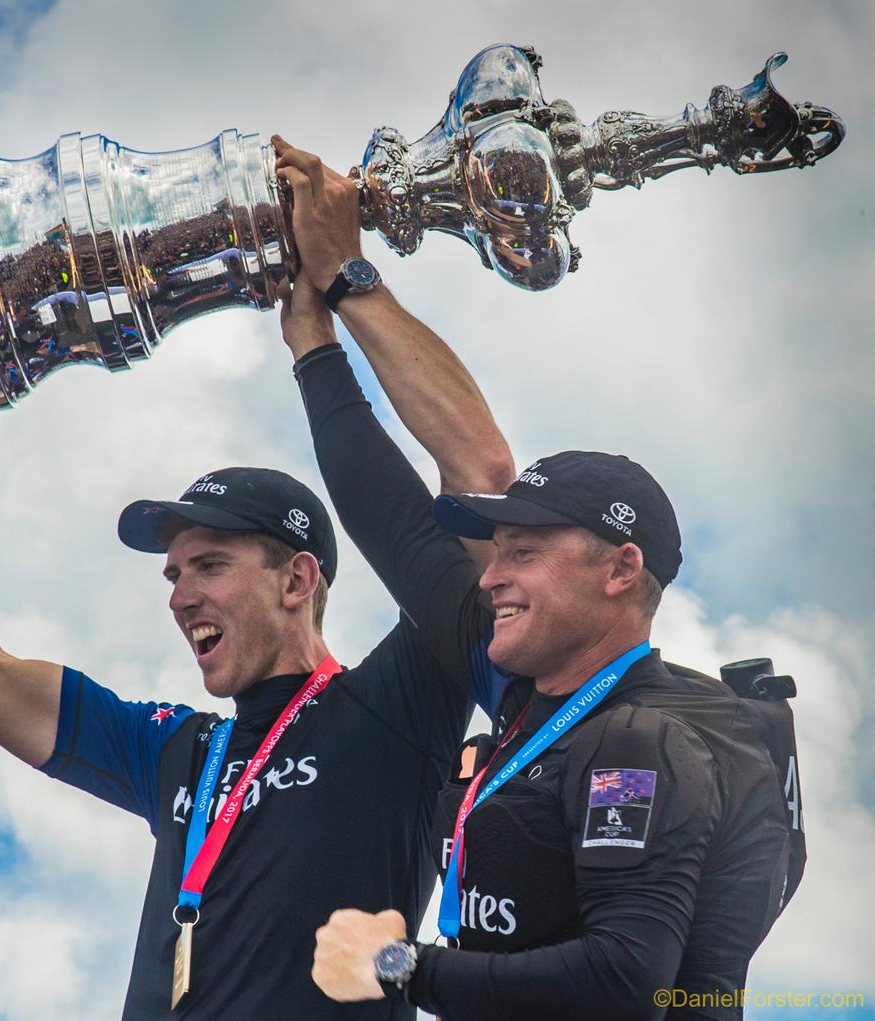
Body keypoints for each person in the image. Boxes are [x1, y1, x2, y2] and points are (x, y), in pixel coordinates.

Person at [0, 245, 515, 1015]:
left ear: (297, 580)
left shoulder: (399, 702)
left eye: (209, 566)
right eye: (173, 574)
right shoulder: (174, 749)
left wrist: (328, 323)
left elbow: (480, 488)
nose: (180, 596)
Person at [270, 141, 802, 1020]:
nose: (492, 575)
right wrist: (317, 332)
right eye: (495, 550)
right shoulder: (531, 691)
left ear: (619, 570)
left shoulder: (639, 741)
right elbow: (396, 524)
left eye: (524, 551)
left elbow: (624, 981)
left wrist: (401, 964)